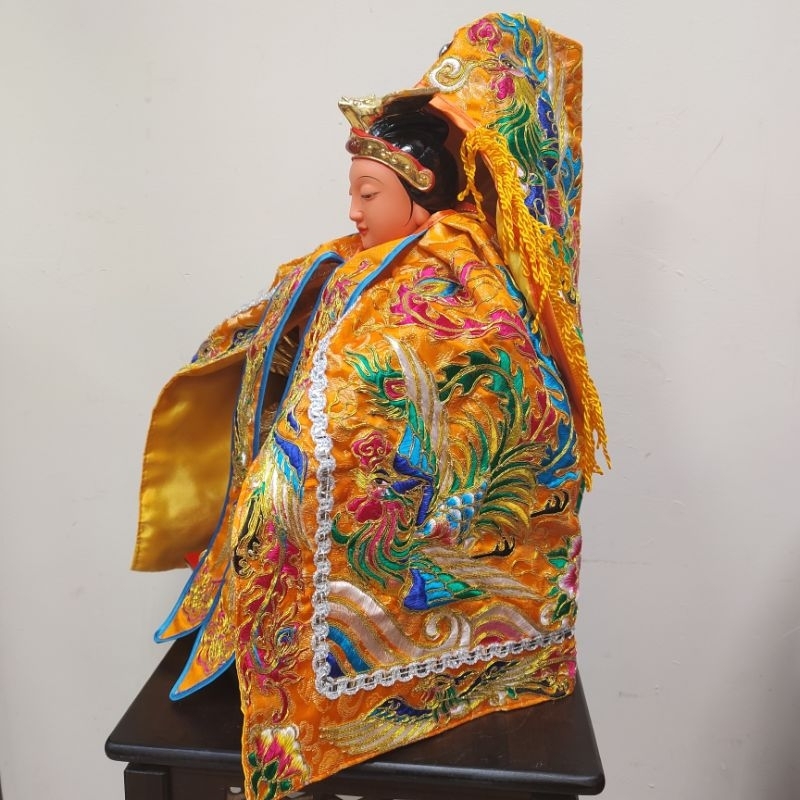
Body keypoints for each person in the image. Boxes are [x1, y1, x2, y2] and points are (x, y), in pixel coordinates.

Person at [132, 14, 608, 800]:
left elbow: (432, 383)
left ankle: (404, 670)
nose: (353, 212)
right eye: (352, 193)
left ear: (420, 198)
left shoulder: (457, 280)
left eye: (368, 193)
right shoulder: (360, 260)